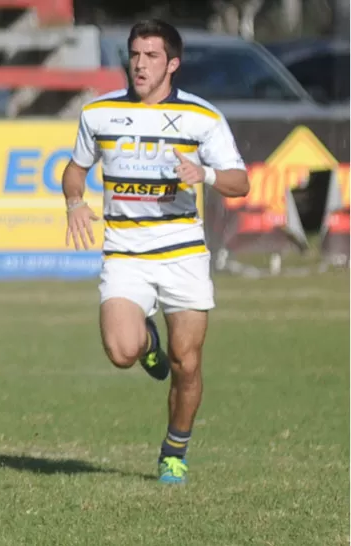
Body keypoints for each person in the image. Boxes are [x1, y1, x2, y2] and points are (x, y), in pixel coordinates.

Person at [61, 19, 250, 485]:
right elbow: (74, 168)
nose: (140, 64)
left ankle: (174, 451)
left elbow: (240, 183)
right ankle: (147, 342)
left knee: (188, 364)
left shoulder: (202, 118)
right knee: (121, 351)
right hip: (125, 253)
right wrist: (73, 202)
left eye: (151, 56)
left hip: (183, 253)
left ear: (173, 64)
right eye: (135, 54)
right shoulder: (98, 113)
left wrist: (202, 175)